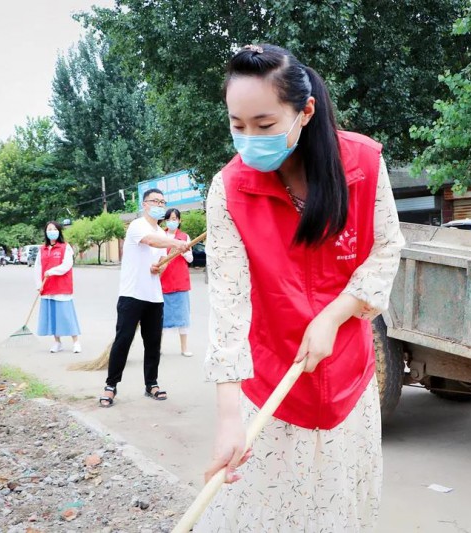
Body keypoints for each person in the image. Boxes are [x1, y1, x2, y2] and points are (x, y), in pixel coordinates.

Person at [195, 44, 405, 532]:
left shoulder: (362, 164)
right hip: (270, 381)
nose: (250, 140)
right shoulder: (229, 190)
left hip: (348, 380)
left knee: (338, 511)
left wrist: (335, 313)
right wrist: (229, 419)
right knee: (262, 514)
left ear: (305, 111)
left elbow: (386, 248)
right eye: (237, 125)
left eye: (265, 124)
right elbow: (228, 304)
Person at [98, 189, 190, 408]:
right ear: (145, 204)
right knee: (123, 340)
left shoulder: (161, 233)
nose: (159, 205)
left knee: (153, 343)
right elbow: (151, 241)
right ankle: (111, 386)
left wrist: (159, 267)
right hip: (131, 294)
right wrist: (176, 243)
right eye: (155, 201)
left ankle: (151, 384)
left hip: (154, 296)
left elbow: (162, 262)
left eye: (162, 202)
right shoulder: (138, 225)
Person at [34, 221, 81, 353]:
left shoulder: (65, 247)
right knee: (53, 316)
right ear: (45, 232)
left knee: (66, 315)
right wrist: (38, 284)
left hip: (62, 288)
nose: (52, 231)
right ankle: (57, 342)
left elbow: (67, 265)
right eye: (49, 229)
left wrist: (52, 271)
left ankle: (76, 342)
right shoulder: (42, 249)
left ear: (59, 231)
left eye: (54, 229)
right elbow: (37, 267)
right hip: (47, 287)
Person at [160, 208, 194, 357]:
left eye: (174, 219)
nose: (171, 222)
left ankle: (184, 348)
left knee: (183, 317)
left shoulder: (184, 237)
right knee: (160, 317)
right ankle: (157, 347)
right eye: (169, 219)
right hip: (162, 280)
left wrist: (183, 250)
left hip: (180, 281)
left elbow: (190, 259)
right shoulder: (161, 236)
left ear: (179, 221)